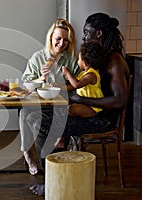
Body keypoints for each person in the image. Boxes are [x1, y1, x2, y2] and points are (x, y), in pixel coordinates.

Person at [28, 12, 130, 196]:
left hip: (103, 120)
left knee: (47, 126)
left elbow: (120, 101)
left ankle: (51, 181)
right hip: (94, 113)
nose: (83, 37)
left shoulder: (115, 61)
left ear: (99, 33)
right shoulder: (102, 58)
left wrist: (81, 99)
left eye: (86, 32)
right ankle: (56, 174)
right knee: (40, 118)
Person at [20, 19, 79, 175]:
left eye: (66, 40)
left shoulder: (71, 59)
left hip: (61, 106)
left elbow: (78, 85)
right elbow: (26, 83)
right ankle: (27, 153)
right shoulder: (38, 57)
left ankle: (52, 167)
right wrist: (40, 78)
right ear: (51, 37)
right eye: (58, 38)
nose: (61, 43)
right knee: (25, 112)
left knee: (36, 122)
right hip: (40, 104)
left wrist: (62, 85)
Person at [62, 41, 107, 118]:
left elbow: (76, 84)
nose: (77, 61)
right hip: (85, 104)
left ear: (85, 63)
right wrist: (59, 87)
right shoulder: (84, 73)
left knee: (73, 109)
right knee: (70, 107)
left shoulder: (91, 75)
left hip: (92, 108)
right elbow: (73, 86)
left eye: (79, 59)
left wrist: (68, 73)